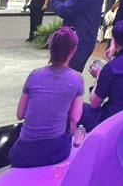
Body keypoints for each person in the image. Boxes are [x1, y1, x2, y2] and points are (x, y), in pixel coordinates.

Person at [8, 27, 83, 168]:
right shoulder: (77, 78)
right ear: (73, 50)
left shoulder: (34, 74)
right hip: (55, 151)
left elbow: (20, 114)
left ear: (50, 47)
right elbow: (75, 117)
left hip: (23, 153)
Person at [45, 0, 105, 73]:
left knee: (66, 74)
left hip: (79, 39)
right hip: (84, 37)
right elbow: (77, 8)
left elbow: (65, 11)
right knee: (70, 74)